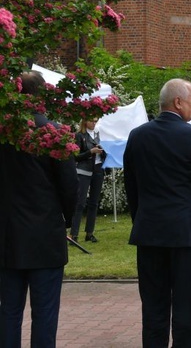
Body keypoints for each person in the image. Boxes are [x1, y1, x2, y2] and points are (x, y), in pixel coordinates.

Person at [123, 78, 191, 347]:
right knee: (185, 308)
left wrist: (141, 219)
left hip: (149, 234)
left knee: (153, 308)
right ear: (178, 102)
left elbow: (131, 185)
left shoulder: (138, 135)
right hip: (185, 236)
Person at [0, 70, 78, 347]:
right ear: (41, 95)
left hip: (8, 236)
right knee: (45, 312)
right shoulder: (54, 133)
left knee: (8, 311)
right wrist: (67, 220)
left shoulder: (4, 133)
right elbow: (70, 186)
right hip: (45, 235)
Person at [70, 118, 107, 243]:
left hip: (97, 170)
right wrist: (90, 152)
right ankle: (73, 234)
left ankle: (89, 233)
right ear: (85, 122)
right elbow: (75, 156)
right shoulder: (79, 136)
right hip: (84, 171)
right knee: (80, 203)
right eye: (91, 120)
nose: (94, 123)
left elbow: (104, 155)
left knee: (94, 203)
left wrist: (102, 151)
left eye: (96, 121)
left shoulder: (97, 135)